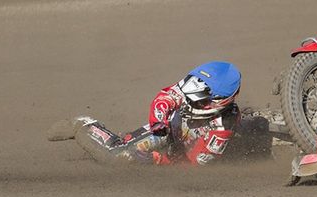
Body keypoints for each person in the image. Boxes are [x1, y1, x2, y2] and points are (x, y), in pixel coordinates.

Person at [80, 61, 242, 166]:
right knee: (119, 155)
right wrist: (158, 122)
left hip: (183, 154)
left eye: (198, 100)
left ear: (219, 101)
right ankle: (84, 125)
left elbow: (196, 165)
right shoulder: (195, 84)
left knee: (131, 165)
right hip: (168, 130)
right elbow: (164, 99)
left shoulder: (221, 128)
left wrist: (158, 160)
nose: (188, 100)